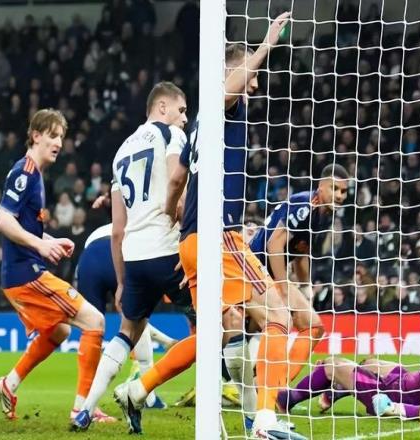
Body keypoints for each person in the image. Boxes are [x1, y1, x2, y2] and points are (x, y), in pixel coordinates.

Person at [113, 14, 308, 440]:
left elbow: (177, 182)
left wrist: (175, 219)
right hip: (220, 236)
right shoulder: (224, 104)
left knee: (213, 336)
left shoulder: (200, 124)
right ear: (233, 71)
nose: (255, 83)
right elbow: (230, 86)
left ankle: (137, 390)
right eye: (250, 75)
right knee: (279, 316)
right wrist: (266, 44)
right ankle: (266, 420)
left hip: (194, 240)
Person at [72, 81, 190, 432]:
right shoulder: (172, 135)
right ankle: (139, 391)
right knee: (218, 324)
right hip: (168, 250)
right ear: (163, 107)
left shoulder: (120, 152)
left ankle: (85, 410)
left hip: (134, 257)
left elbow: (117, 229)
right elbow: (176, 184)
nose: (185, 118)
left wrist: (122, 282)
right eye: (181, 110)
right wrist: (180, 219)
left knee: (127, 331)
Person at [0, 109, 105, 421]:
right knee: (95, 321)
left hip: (21, 274)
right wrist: (41, 246)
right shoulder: (25, 172)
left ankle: (8, 384)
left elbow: (23, 225)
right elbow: (2, 219)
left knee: (60, 331)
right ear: (36, 136)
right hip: (26, 274)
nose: (58, 143)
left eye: (61, 137)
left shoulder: (35, 175)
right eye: (53, 135)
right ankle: (83, 409)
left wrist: (51, 239)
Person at [277, 297, 420, 419]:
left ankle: (286, 399)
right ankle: (339, 390)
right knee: (370, 363)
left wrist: (394, 408)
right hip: (407, 381)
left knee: (331, 365)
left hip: (396, 395)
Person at [250, 163, 349, 382]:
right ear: (321, 187)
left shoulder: (325, 214)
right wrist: (284, 287)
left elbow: (302, 251)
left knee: (313, 326)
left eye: (343, 191)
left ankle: (274, 384)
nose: (339, 196)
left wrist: (306, 288)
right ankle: (261, 384)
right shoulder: (306, 206)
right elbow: (274, 244)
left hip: (270, 273)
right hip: (255, 268)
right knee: (277, 323)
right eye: (334, 188)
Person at [75, 222, 182, 410]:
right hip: (119, 254)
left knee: (92, 327)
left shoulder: (117, 224)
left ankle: (81, 405)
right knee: (135, 319)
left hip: (87, 260)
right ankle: (149, 397)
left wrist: (166, 341)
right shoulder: (152, 229)